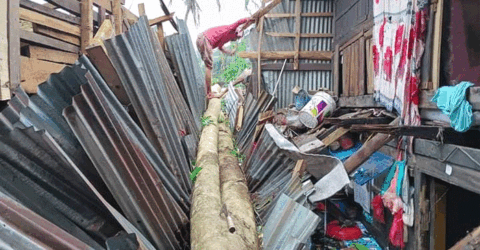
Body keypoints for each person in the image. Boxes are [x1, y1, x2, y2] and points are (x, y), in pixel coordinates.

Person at [196, 17, 254, 99]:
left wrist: (229, 52)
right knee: (209, 67)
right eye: (237, 37)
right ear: (236, 33)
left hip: (201, 40)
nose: (236, 39)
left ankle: (208, 92)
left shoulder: (226, 37)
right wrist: (250, 19)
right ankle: (209, 93)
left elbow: (220, 47)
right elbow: (239, 22)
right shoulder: (231, 29)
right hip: (205, 39)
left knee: (208, 66)